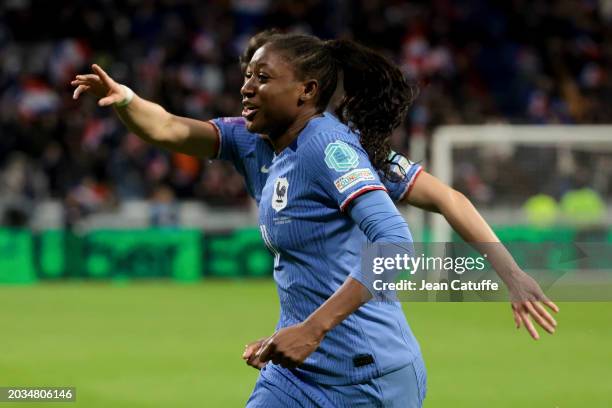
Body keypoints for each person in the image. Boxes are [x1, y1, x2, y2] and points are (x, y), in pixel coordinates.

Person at [71, 33, 558, 407]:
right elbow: (170, 128)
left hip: (368, 375)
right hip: (296, 371)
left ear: (305, 90)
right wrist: (128, 101)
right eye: (247, 75)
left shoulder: (334, 149)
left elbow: (397, 241)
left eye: (262, 77)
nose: (246, 87)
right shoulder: (253, 141)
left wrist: (510, 272)